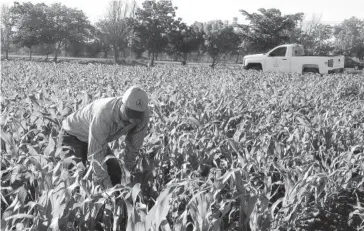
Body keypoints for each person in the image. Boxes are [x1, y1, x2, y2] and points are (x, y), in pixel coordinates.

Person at [58, 86, 150, 189]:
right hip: (73, 135)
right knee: (75, 177)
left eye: (137, 116)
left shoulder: (143, 116)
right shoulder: (103, 115)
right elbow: (96, 157)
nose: (133, 121)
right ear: (122, 105)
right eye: (130, 115)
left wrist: (127, 175)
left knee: (115, 171)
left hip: (95, 138)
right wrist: (107, 189)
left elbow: (134, 146)